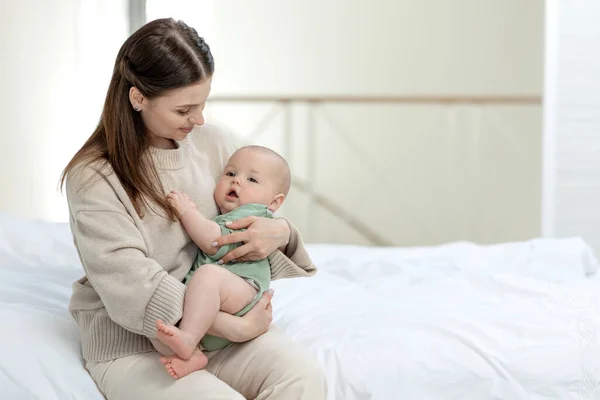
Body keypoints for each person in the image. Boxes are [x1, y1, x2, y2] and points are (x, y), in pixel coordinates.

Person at [60, 17, 326, 399]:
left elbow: (261, 203)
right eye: (184, 110)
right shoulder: (94, 177)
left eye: (202, 105)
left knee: (302, 378)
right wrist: (234, 327)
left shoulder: (211, 142)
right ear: (138, 98)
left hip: (216, 334)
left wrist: (281, 232)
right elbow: (130, 285)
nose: (198, 120)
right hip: (140, 340)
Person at [154, 145, 294, 379]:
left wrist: (187, 211)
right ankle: (196, 353)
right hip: (225, 304)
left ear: (274, 202)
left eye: (251, 179)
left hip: (245, 290)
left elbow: (214, 242)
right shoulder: (228, 214)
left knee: (208, 275)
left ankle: (189, 339)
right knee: (204, 282)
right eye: (230, 174)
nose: (237, 181)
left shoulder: (254, 214)